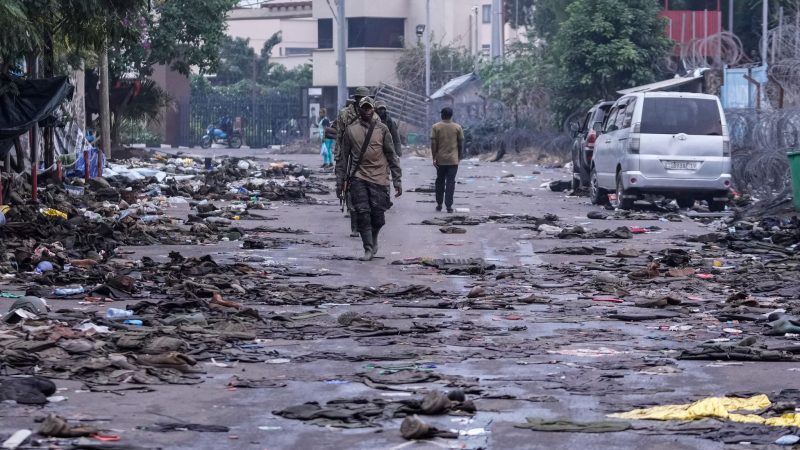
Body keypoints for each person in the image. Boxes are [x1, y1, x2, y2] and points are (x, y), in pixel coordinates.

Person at [336, 96, 402, 261]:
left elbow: (391, 155)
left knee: (378, 216)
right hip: (358, 176)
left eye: (369, 108)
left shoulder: (382, 130)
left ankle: (374, 238)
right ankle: (367, 247)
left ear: (373, 109)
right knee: (362, 213)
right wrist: (340, 182)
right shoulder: (350, 131)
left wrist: (397, 180)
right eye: (363, 108)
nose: (366, 110)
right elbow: (343, 159)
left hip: (379, 177)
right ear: (359, 109)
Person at [328, 87, 372, 237]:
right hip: (346, 153)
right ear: (357, 99)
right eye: (361, 98)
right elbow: (338, 134)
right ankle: (354, 223)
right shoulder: (345, 114)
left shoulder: (372, 114)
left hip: (365, 155)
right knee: (347, 185)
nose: (363, 101)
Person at [430, 107, 464, 213]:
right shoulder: (457, 127)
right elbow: (460, 143)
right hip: (453, 160)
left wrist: (434, 157)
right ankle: (449, 206)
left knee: (440, 181)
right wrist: (459, 157)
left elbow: (433, 143)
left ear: (442, 115)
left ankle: (439, 204)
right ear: (451, 115)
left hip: (440, 159)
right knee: (450, 182)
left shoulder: (436, 127)